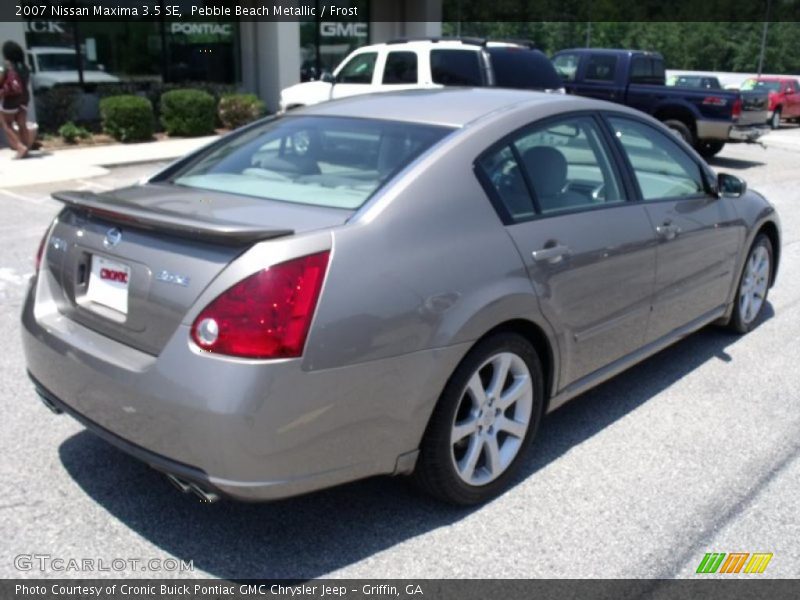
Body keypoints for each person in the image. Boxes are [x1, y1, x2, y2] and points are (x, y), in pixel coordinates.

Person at [0, 40, 31, 158]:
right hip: (24, 98)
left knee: (6, 124)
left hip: (10, 98)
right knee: (22, 124)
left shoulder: (5, 65)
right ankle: (26, 147)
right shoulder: (24, 66)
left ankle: (20, 147)